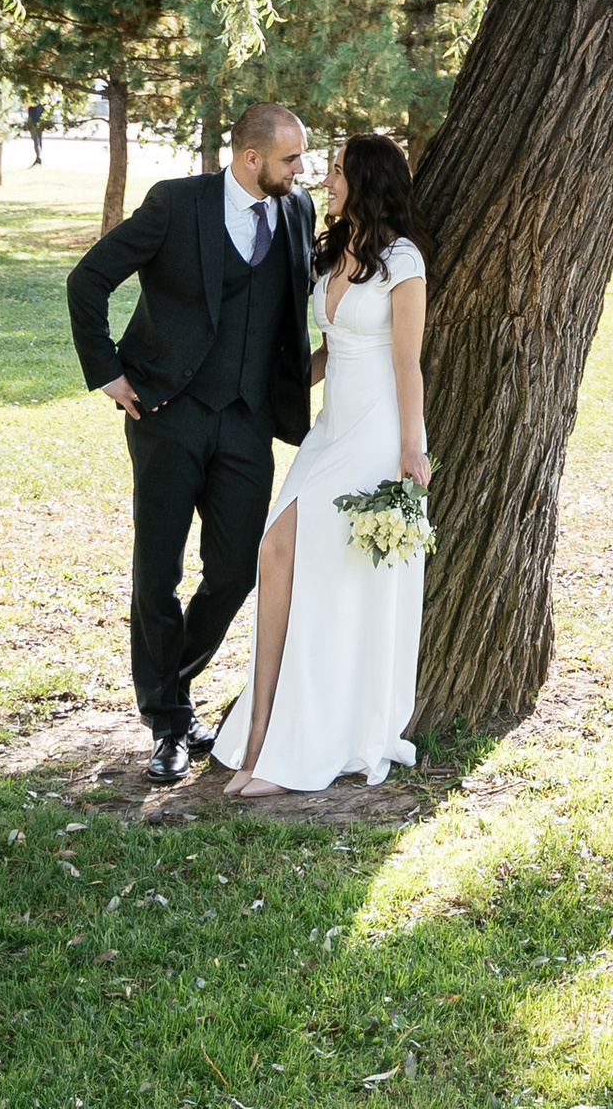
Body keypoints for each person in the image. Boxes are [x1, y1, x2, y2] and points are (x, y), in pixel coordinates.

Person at [65, 99, 316, 785]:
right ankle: (170, 722)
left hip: (247, 420)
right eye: (292, 158)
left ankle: (166, 685)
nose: (302, 170)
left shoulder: (296, 211)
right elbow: (87, 280)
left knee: (236, 571)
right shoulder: (177, 204)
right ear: (251, 159)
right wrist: (107, 372)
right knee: (159, 572)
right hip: (166, 413)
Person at [213, 130, 428, 797]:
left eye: (335, 171)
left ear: (364, 181)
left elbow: (405, 364)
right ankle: (258, 736)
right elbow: (332, 350)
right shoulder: (332, 252)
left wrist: (412, 451)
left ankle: (297, 746)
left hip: (374, 440)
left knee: (314, 572)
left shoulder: (404, 262)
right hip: (328, 434)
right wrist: (272, 392)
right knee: (275, 556)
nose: (324, 180)